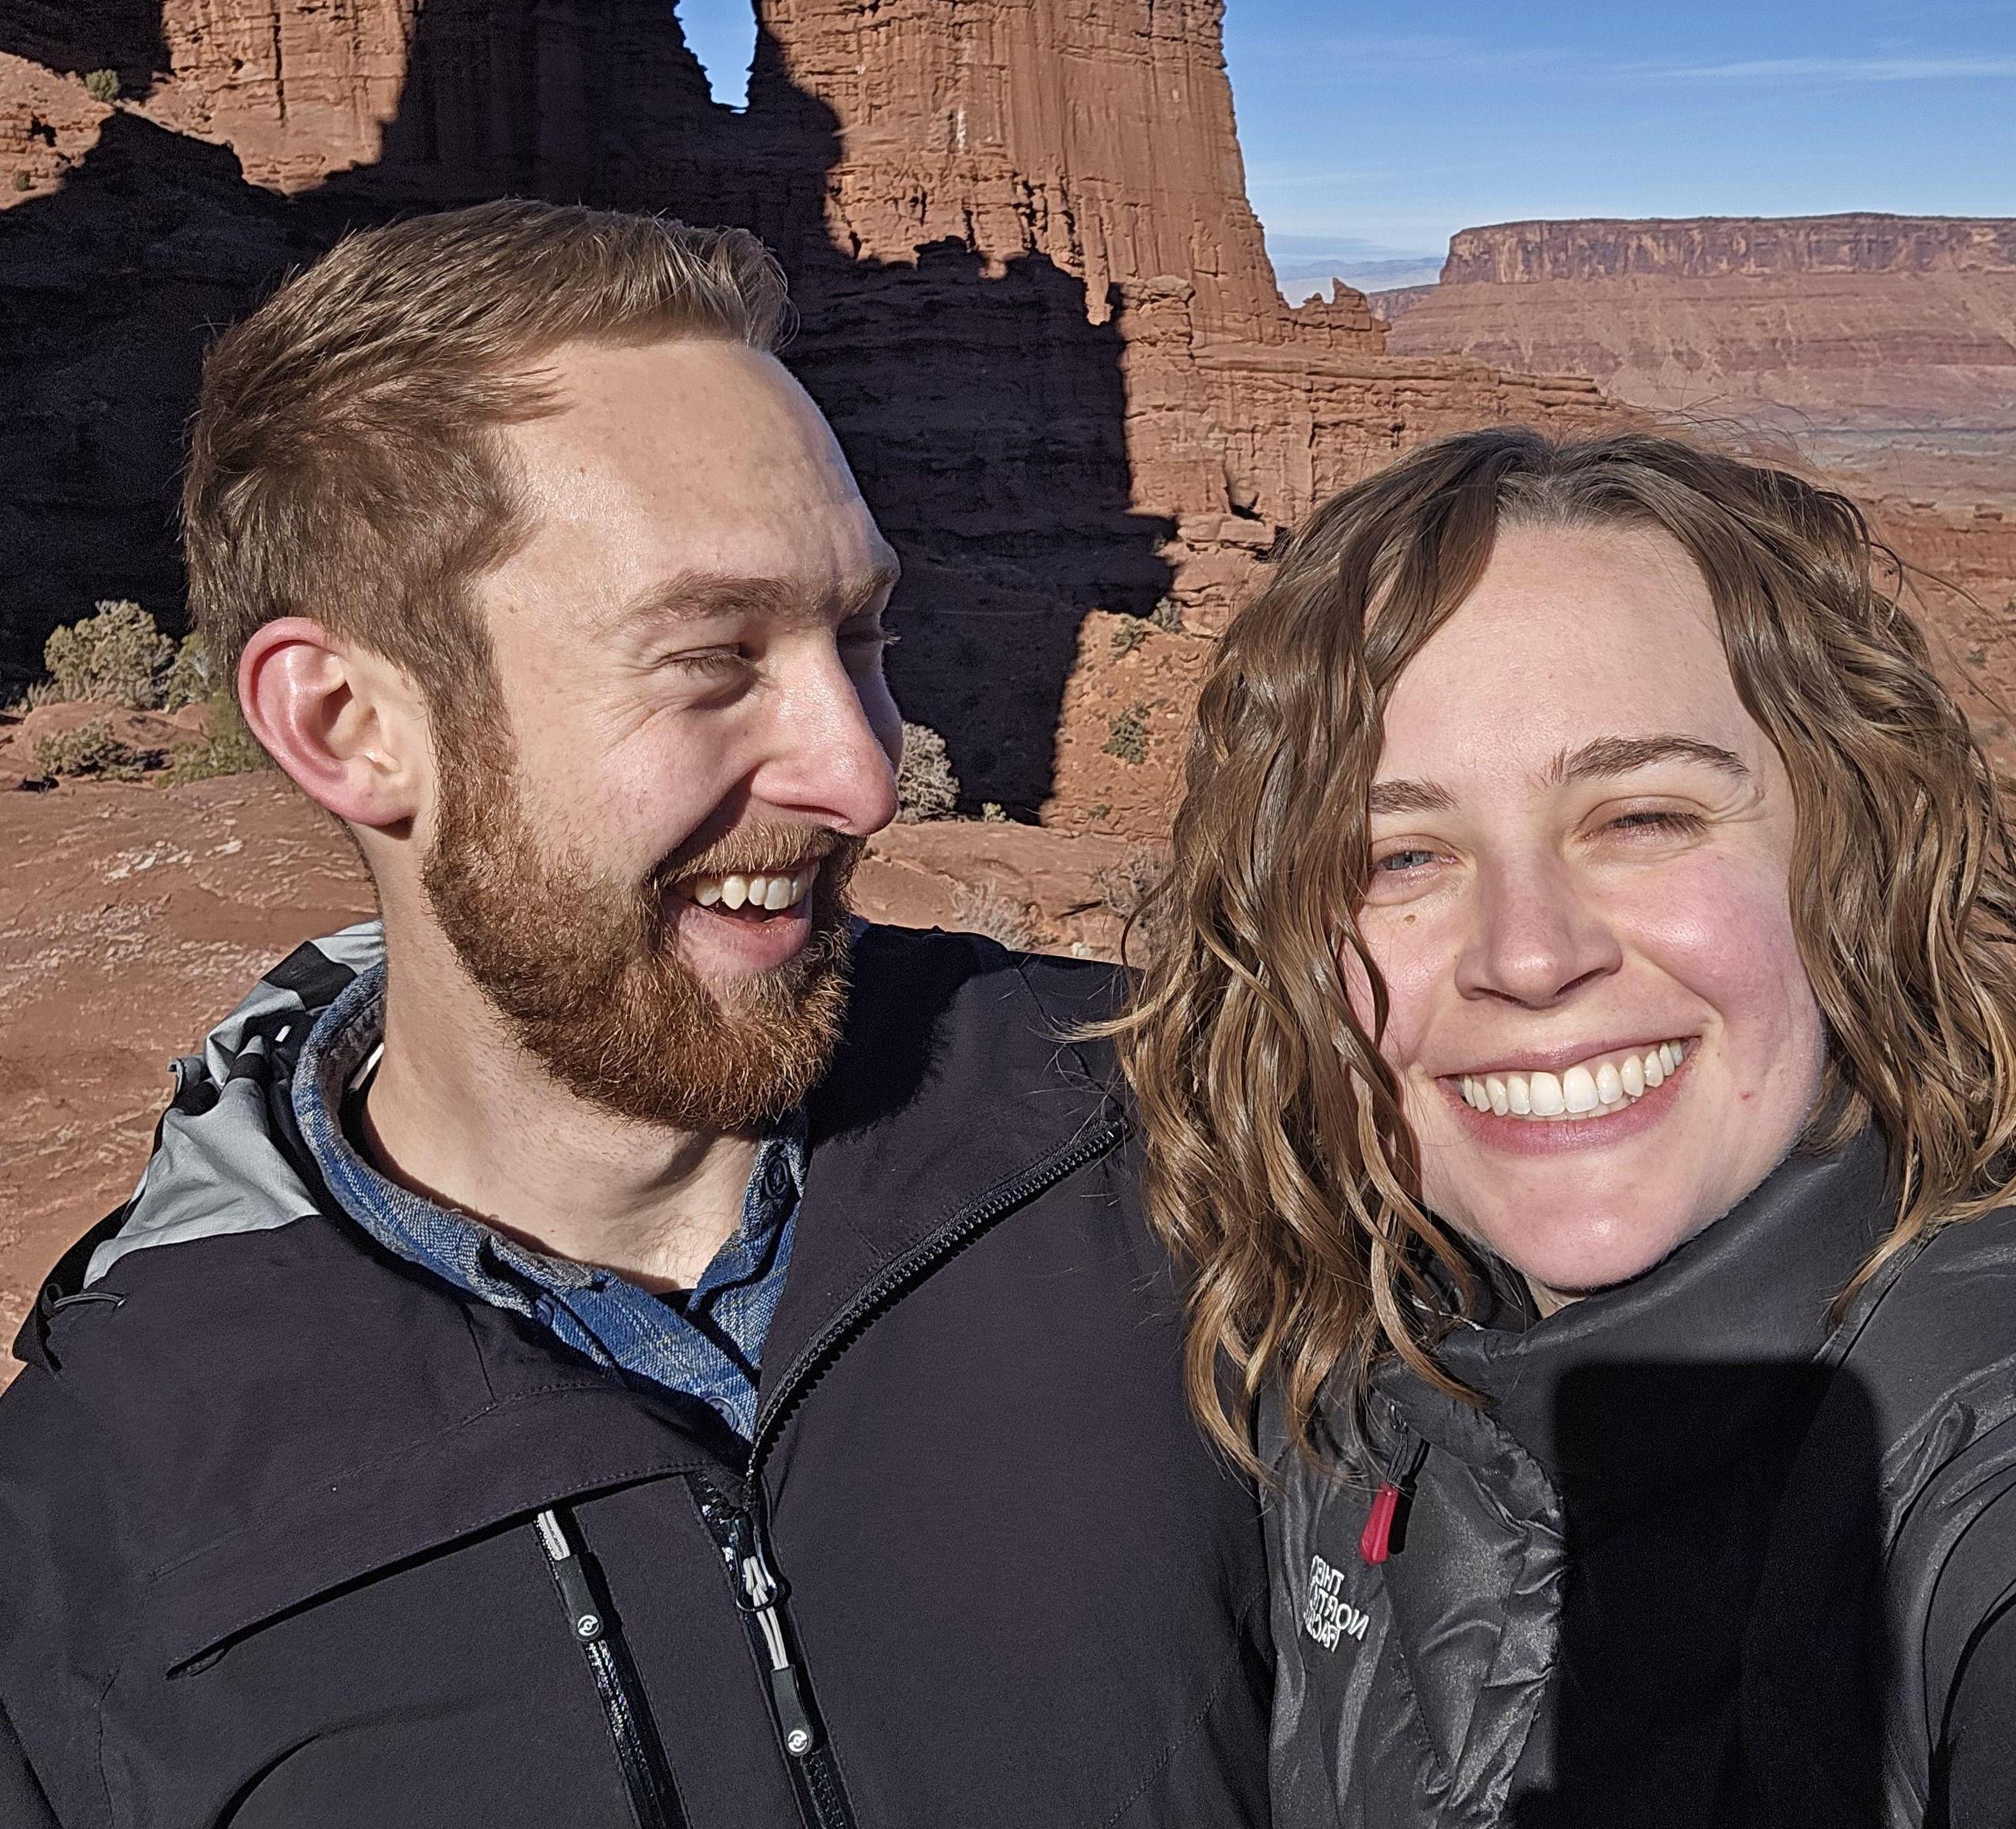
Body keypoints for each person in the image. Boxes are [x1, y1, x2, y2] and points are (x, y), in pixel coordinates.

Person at [0, 202, 1271, 1829]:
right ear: (346, 723)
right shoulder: (90, 1536)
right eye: (708, 658)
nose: (864, 769)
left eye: (861, 633)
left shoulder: (1183, 1130)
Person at [1116, 426, 2016, 1828]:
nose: (1530, 953)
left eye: (1643, 816)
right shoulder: (1352, 1349)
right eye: (1399, 856)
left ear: (1847, 856)